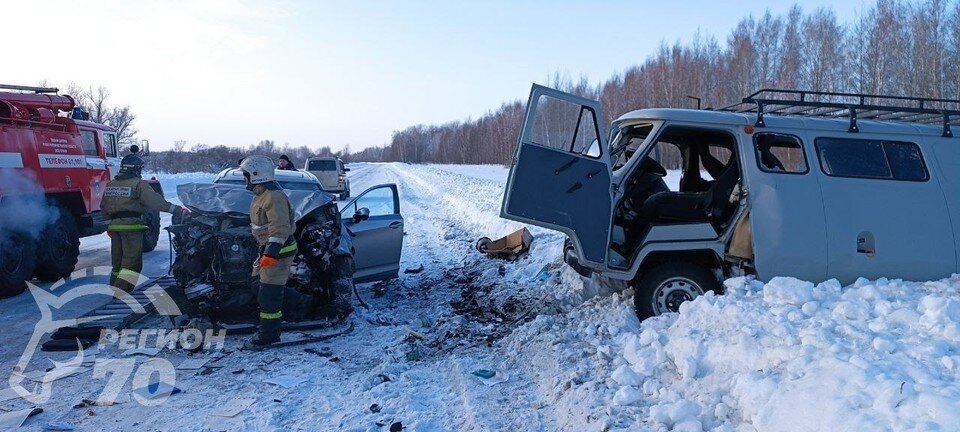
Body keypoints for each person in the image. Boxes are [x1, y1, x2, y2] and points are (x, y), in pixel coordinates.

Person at [101, 154, 187, 293]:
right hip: (131, 227)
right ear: (136, 169)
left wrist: (109, 225)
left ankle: (115, 288)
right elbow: (155, 202)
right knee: (132, 262)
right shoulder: (138, 184)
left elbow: (104, 206)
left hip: (115, 228)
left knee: (117, 262)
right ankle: (121, 292)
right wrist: (176, 209)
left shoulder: (111, 184)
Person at [239, 155, 300, 346]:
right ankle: (302, 306)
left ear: (256, 175)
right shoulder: (261, 194)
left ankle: (268, 335)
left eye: (246, 175)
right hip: (267, 250)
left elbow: (280, 228)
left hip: (279, 252)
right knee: (258, 285)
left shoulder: (274, 196)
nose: (243, 178)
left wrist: (270, 254)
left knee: (269, 295)